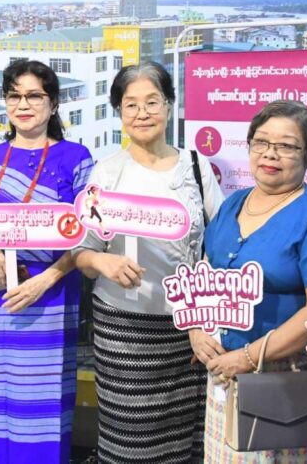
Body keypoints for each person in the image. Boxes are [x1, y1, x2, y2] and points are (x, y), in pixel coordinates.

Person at [73, 62, 223, 463]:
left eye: (152, 102)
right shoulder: (107, 172)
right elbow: (81, 252)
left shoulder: (196, 167)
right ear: (119, 112)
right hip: (123, 329)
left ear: (169, 105)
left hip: (188, 330)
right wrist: (103, 263)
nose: (142, 113)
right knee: (130, 439)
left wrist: (204, 318)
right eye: (131, 104)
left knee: (186, 439)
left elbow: (221, 244)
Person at [0, 59, 94, 463]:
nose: (23, 104)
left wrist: (46, 280)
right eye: (14, 96)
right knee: (3, 401)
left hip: (54, 293)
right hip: (2, 293)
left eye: (34, 95)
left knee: (47, 406)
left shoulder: (76, 157)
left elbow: (88, 232)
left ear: (53, 103)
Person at [193, 100, 307, 463]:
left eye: (287, 145)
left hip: (283, 377)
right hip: (224, 373)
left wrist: (248, 357)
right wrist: (196, 330)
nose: (270, 154)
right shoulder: (233, 203)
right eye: (261, 142)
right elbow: (204, 275)